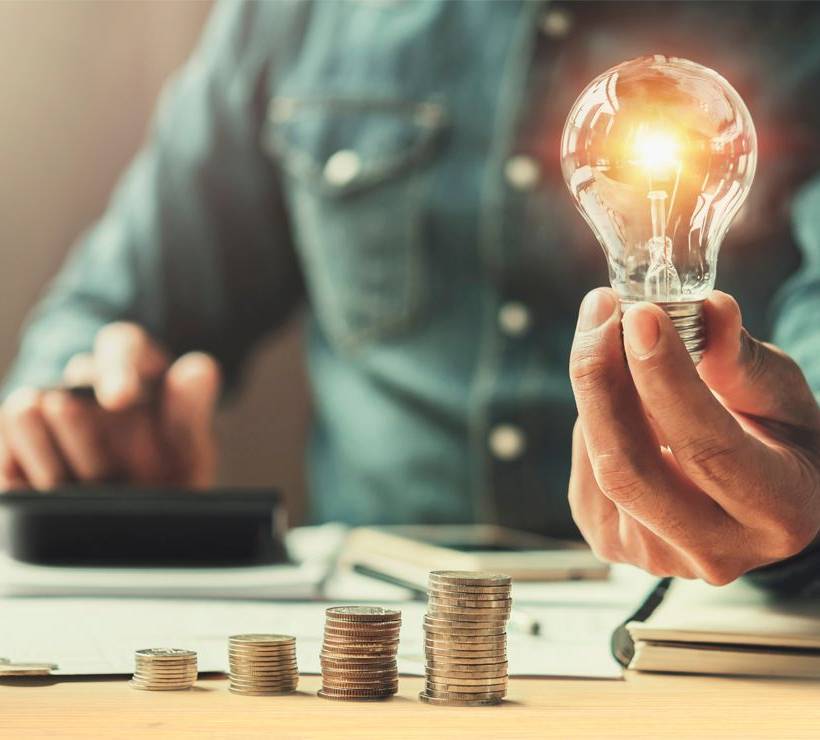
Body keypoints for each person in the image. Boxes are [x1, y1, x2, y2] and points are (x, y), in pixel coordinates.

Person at [1, 0, 818, 592]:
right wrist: (82, 424)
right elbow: (114, 306)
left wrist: (801, 491)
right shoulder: (297, 16)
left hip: (716, 635)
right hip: (380, 625)